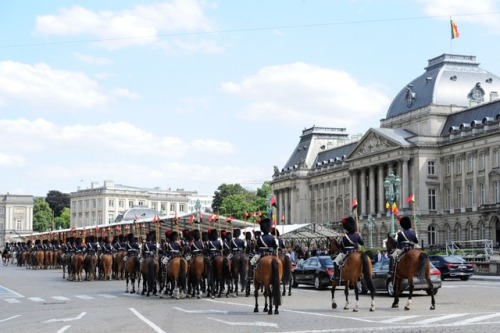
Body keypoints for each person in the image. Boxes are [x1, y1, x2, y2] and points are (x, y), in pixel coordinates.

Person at [331, 216, 364, 282]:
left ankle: (336, 276)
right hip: (355, 252)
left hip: (346, 253)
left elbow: (341, 247)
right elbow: (362, 243)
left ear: (347, 227)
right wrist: (360, 236)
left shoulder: (345, 237)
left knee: (335, 261)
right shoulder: (357, 235)